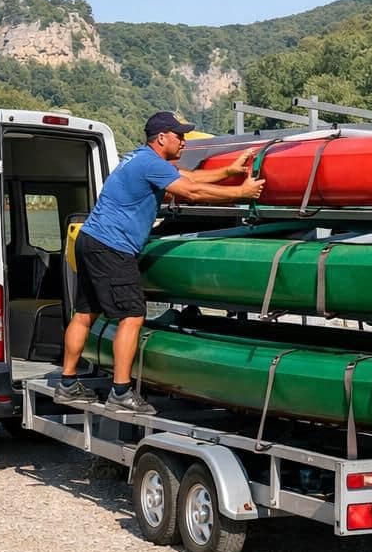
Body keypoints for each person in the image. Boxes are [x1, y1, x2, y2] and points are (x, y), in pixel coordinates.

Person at [57, 113, 265, 414]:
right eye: (179, 136)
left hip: (90, 239)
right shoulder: (151, 164)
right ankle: (121, 392)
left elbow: (189, 178)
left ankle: (67, 383)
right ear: (161, 137)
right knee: (132, 315)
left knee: (85, 313)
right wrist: (241, 192)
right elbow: (191, 191)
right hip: (113, 246)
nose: (183, 141)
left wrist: (228, 171)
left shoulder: (141, 159)